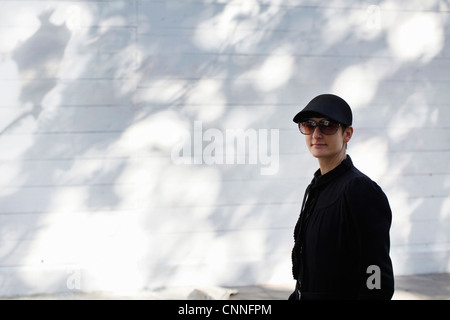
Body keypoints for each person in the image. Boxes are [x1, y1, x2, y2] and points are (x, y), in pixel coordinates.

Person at [289, 94, 394, 300]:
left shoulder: (360, 190)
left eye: (327, 125)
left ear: (347, 134)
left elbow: (377, 275)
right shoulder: (316, 187)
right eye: (309, 125)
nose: (316, 134)